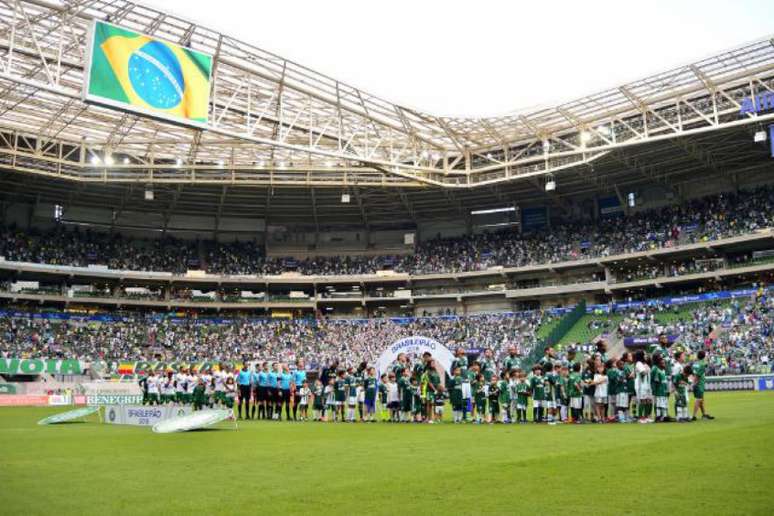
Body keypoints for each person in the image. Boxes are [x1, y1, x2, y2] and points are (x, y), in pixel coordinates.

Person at [691, 350, 714, 421]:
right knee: (698, 399)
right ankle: (694, 416)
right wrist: (694, 384)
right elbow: (698, 376)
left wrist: (693, 382)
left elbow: (693, 374)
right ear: (704, 356)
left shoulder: (695, 364)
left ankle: (704, 414)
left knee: (701, 399)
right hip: (699, 383)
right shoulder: (702, 365)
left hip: (696, 383)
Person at [634, 350, 653, 423]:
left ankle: (647, 416)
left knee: (648, 400)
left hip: (647, 384)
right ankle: (641, 417)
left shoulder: (645, 363)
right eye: (644, 354)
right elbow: (643, 373)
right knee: (642, 400)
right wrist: (647, 369)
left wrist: (647, 368)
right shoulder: (638, 363)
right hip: (641, 385)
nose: (645, 356)